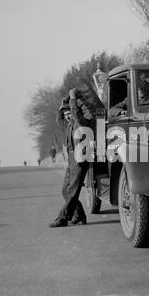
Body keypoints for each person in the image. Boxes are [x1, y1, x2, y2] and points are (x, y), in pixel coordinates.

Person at [49, 88, 94, 228]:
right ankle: (79, 215)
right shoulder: (70, 124)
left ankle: (63, 218)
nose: (68, 116)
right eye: (66, 114)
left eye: (69, 113)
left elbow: (75, 113)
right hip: (71, 159)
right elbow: (59, 120)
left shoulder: (82, 121)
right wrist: (62, 104)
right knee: (65, 190)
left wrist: (74, 99)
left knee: (72, 191)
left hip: (80, 159)